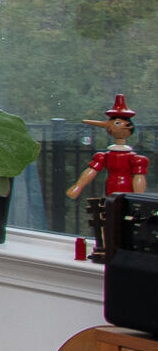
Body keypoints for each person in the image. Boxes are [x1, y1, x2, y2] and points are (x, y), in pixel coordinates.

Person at [68, 95, 148, 261]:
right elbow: (92, 170)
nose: (110, 126)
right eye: (111, 123)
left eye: (116, 123)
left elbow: (138, 178)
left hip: (126, 194)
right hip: (110, 192)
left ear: (128, 127)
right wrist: (78, 186)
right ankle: (109, 246)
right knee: (107, 218)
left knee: (125, 220)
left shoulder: (134, 158)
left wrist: (139, 199)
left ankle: (124, 246)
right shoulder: (105, 156)